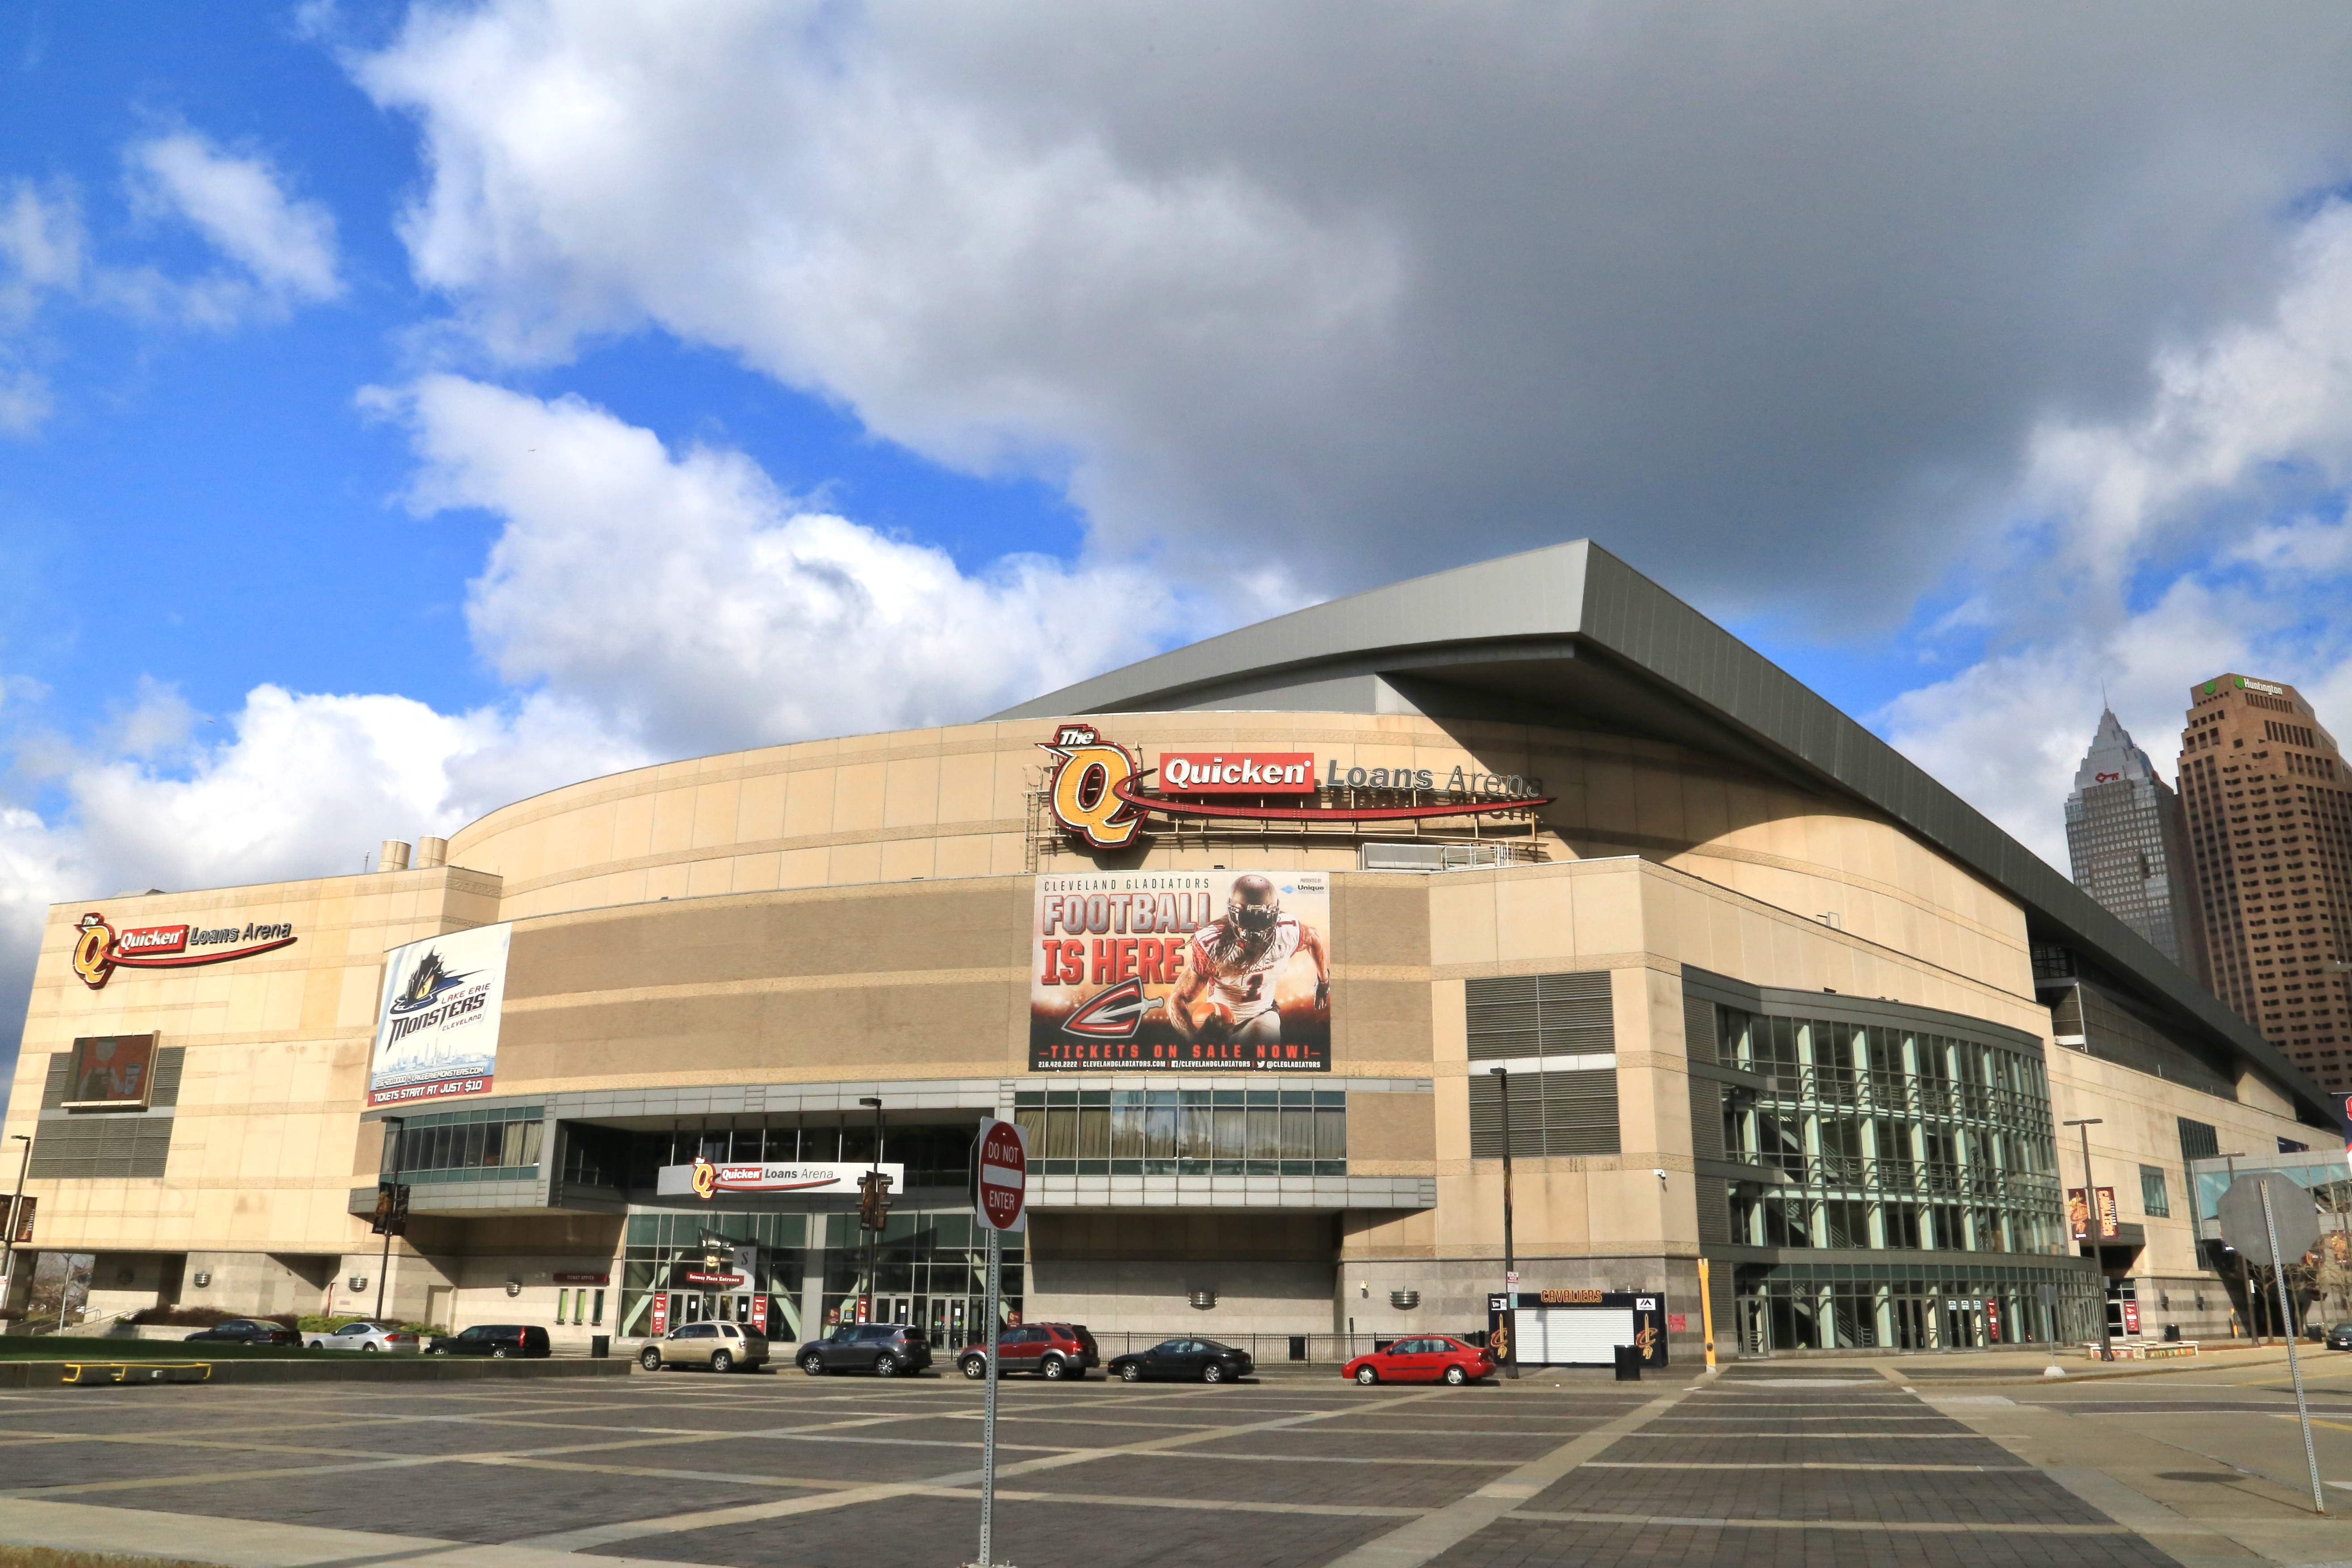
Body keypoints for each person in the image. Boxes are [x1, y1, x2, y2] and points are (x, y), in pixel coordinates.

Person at [1167, 874, 1330, 1045]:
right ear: (1232, 915)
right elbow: (1178, 999)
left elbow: (1314, 939)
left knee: (1257, 1048)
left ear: (1274, 915)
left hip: (1262, 1014)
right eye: (1248, 919)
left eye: (1261, 919)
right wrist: (1195, 1038)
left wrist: (1324, 981)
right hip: (1220, 1021)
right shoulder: (1214, 945)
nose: (1255, 928)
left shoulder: (1287, 932)